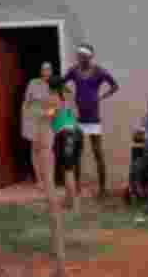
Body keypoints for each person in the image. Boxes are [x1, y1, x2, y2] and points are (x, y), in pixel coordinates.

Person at [62, 43, 119, 199]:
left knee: (97, 153)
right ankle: (78, 188)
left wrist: (101, 97)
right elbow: (60, 82)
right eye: (78, 56)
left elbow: (115, 86)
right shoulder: (74, 70)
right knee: (77, 153)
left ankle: (102, 189)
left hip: (94, 118)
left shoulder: (99, 71)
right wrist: (71, 94)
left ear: (89, 57)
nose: (79, 59)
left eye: (82, 56)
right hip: (80, 119)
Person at [44, 76, 83, 211]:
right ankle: (70, 200)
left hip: (65, 135)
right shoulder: (69, 97)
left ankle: (71, 203)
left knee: (67, 171)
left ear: (51, 87)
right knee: (72, 169)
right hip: (77, 133)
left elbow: (49, 115)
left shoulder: (52, 99)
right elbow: (76, 115)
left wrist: (43, 113)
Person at [21, 62, 54, 184]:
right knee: (35, 149)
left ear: (51, 71)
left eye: (48, 69)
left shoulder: (55, 84)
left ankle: (48, 179)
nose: (46, 72)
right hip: (34, 120)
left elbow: (59, 102)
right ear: (40, 71)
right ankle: (39, 179)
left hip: (48, 121)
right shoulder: (33, 83)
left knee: (47, 150)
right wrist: (25, 120)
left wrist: (51, 113)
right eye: (44, 69)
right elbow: (27, 102)